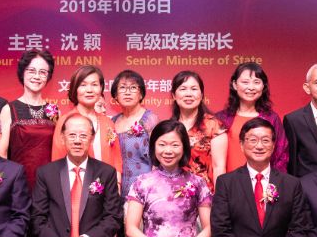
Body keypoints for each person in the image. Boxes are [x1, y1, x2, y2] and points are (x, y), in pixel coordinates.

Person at [0, 48, 58, 194]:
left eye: (42, 72)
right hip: (18, 185)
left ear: (48, 76)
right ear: (22, 73)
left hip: (49, 186)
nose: (37, 76)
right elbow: (1, 153)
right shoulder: (9, 109)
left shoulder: (55, 111)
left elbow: (59, 153)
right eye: (31, 71)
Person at [218, 62, 289, 174]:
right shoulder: (221, 119)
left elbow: (281, 155)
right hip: (228, 181)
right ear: (235, 85)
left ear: (263, 86)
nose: (251, 87)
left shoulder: (271, 118)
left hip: (262, 182)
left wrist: (274, 182)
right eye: (245, 82)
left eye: (256, 82)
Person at [51, 65, 122, 170]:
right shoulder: (65, 121)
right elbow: (58, 160)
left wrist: (117, 179)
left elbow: (116, 159)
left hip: (107, 179)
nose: (89, 90)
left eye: (94, 84)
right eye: (83, 85)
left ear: (101, 88)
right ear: (75, 89)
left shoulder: (107, 122)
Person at [168, 70, 226, 192]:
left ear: (201, 94)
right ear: (174, 95)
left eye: (194, 89)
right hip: (172, 193)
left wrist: (220, 199)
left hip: (204, 195)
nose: (188, 94)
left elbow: (219, 167)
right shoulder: (168, 127)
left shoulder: (213, 126)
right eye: (183, 89)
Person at [110, 69, 160, 197]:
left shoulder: (149, 119)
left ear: (141, 94)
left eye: (133, 87)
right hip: (117, 192)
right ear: (115, 95)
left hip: (146, 190)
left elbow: (159, 157)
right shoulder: (112, 122)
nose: (127, 92)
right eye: (122, 87)